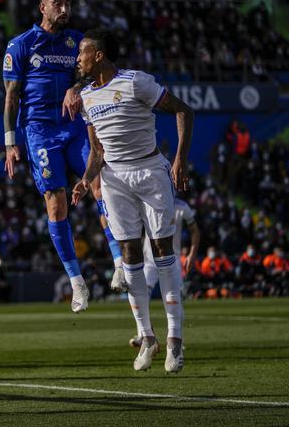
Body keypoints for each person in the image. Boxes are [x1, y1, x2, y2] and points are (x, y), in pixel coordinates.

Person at [72, 28, 194, 373]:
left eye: (82, 53)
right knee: (128, 259)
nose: (77, 59)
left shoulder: (135, 82)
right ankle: (147, 338)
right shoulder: (87, 98)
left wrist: (180, 159)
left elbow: (184, 111)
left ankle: (175, 340)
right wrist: (85, 179)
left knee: (163, 252)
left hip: (151, 172)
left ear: (98, 55)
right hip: (113, 178)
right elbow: (97, 150)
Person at [2, 0, 123, 313]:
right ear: (43, 7)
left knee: (100, 185)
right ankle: (76, 283)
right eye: (58, 3)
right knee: (56, 205)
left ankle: (119, 263)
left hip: (73, 126)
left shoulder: (77, 42)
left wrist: (76, 86)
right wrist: (10, 142)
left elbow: (97, 74)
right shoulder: (22, 45)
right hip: (39, 131)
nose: (65, 8)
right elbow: (11, 96)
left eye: (68, 2)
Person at [129, 197, 200, 348]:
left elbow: (195, 231)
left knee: (174, 298)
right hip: (149, 260)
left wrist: (192, 254)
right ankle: (143, 334)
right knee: (140, 294)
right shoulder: (147, 201)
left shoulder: (182, 207)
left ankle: (176, 340)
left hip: (172, 258)